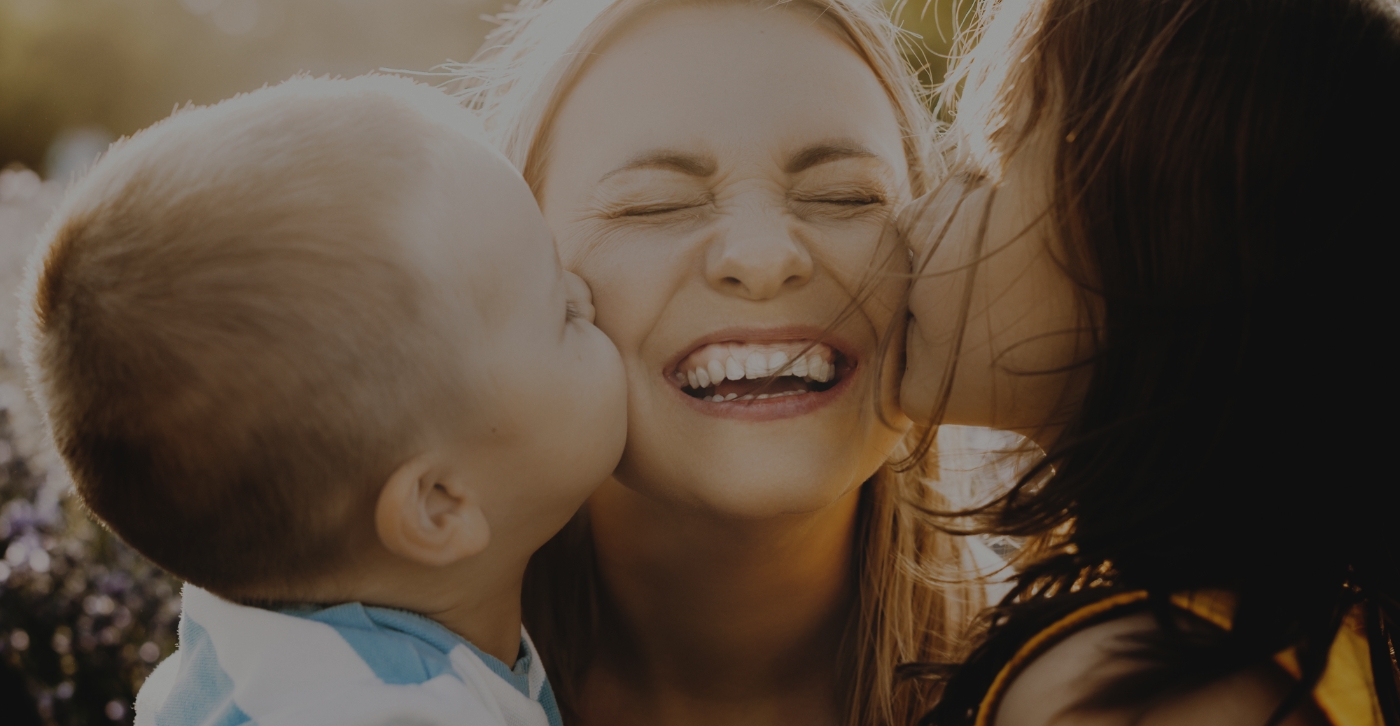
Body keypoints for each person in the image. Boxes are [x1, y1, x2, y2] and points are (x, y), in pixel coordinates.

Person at [448, 0, 998, 723]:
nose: (764, 257)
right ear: (521, 271)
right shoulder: (326, 685)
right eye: (653, 206)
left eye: (845, 195)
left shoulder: (1075, 692)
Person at [17, 75, 627, 726]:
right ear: (439, 503)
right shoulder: (390, 714)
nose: (586, 292)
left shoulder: (253, 641)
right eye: (559, 311)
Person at [896, 0, 1400, 724]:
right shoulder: (1284, 633)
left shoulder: (1141, 693)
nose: (914, 221)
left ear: (1161, 248)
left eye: (984, 165)